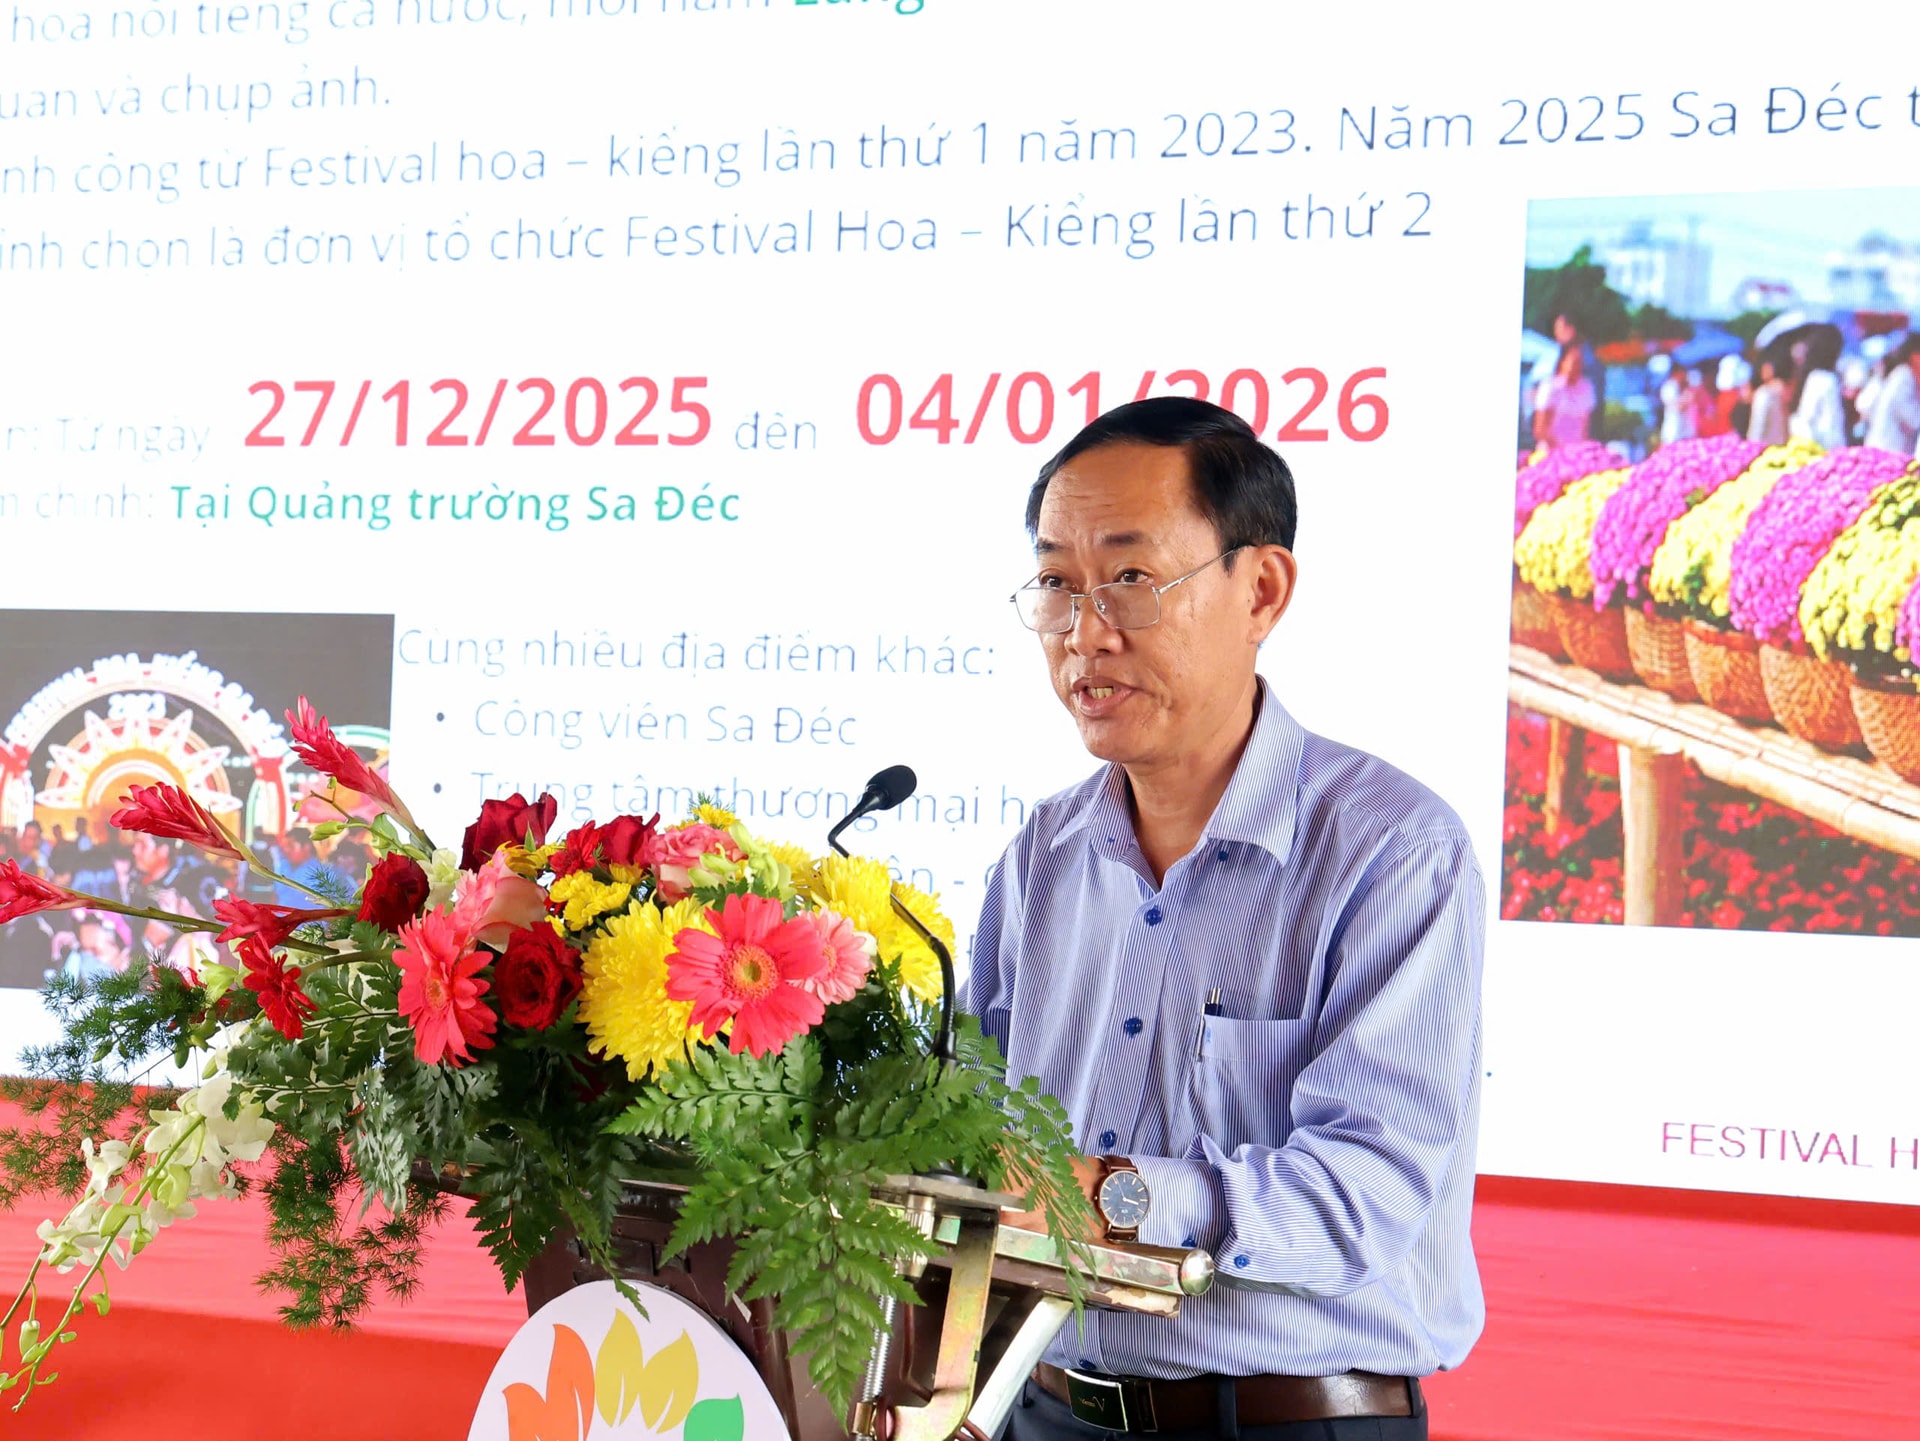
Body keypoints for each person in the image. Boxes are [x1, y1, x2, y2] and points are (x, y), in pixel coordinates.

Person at [973, 398, 1482, 1441]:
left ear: (1261, 589)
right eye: (1057, 585)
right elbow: (974, 1132)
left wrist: (1111, 1196)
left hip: (1286, 1421)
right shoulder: (1043, 857)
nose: (1086, 633)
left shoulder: (1391, 851)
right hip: (1045, 1409)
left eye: (1131, 578)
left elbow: (1363, 1193)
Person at [1531, 343, 1597, 447]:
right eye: (1573, 362)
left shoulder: (1587, 388)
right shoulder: (1550, 387)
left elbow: (1585, 427)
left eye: (1579, 363)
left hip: (1577, 450)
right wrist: (1561, 450)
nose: (1576, 367)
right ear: (1562, 362)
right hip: (1550, 449)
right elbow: (1540, 429)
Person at [1863, 336, 1920, 456]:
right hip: (1886, 450)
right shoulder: (1904, 377)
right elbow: (1912, 418)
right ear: (1914, 356)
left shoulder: (1904, 375)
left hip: (1888, 448)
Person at [1789, 333, 1847, 450]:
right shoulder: (1823, 379)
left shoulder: (1818, 377)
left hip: (1822, 444)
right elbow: (1809, 416)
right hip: (1824, 445)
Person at [1748, 354, 1791, 445]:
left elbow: (1758, 424)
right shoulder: (1786, 390)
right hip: (1785, 443)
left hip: (1766, 444)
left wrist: (1752, 445)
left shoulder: (1764, 393)